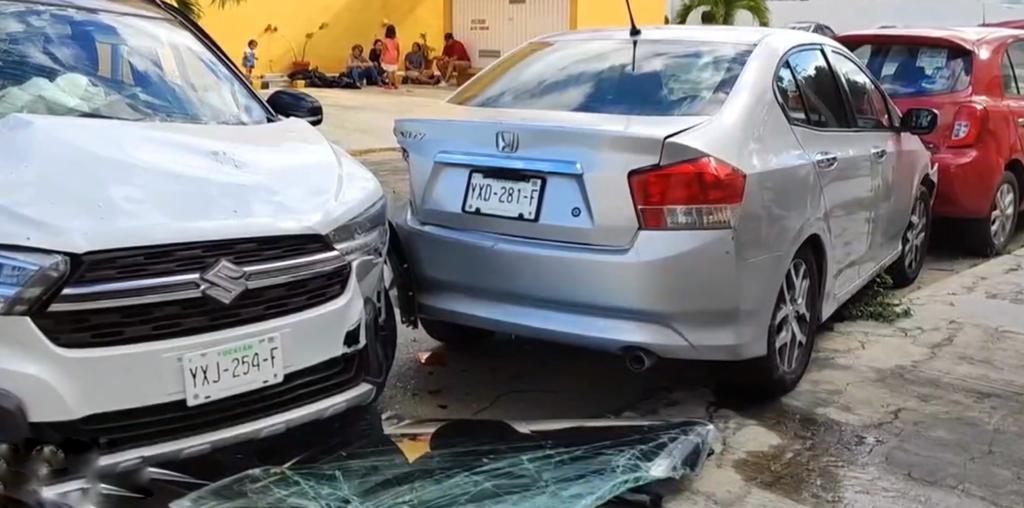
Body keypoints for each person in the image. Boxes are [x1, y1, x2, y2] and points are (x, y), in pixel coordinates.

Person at [381, 24, 401, 90]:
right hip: (394, 56)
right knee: (394, 72)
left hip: (387, 56)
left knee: (389, 71)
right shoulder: (396, 40)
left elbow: (384, 50)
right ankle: (396, 84)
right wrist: (398, 57)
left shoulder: (385, 40)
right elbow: (398, 49)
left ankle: (390, 85)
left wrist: (382, 57)